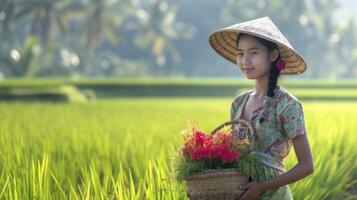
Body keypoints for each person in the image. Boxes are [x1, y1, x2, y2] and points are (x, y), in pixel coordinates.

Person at [208, 16, 314, 199]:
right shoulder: (238, 104)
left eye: (253, 52)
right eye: (240, 53)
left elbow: (307, 165)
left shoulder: (287, 104)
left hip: (274, 195)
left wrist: (262, 187)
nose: (245, 60)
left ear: (272, 55)